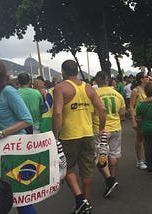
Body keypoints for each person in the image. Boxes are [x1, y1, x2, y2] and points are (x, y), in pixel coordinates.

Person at [52, 60, 106, 214]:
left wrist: (55, 136)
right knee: (87, 170)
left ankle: (80, 200)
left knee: (67, 168)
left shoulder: (61, 88)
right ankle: (85, 203)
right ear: (76, 70)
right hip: (87, 134)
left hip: (69, 135)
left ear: (63, 71)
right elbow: (102, 109)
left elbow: (57, 113)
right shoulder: (88, 88)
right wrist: (101, 129)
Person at [0, 57, 36, 214]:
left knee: (20, 196)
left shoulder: (8, 91)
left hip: (13, 150)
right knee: (0, 193)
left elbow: (27, 120)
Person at [93, 71, 125, 198]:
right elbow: (122, 113)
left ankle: (109, 180)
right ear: (109, 80)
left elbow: (90, 113)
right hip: (116, 127)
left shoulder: (93, 95)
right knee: (114, 153)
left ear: (96, 80)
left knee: (99, 156)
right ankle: (112, 177)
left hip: (99, 129)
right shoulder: (117, 94)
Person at [129, 71, 150, 170]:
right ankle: (139, 160)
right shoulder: (135, 91)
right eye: (146, 77)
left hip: (149, 117)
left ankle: (148, 158)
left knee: (148, 138)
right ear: (141, 79)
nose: (148, 78)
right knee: (140, 138)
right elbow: (131, 106)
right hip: (140, 117)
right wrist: (133, 120)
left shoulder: (148, 89)